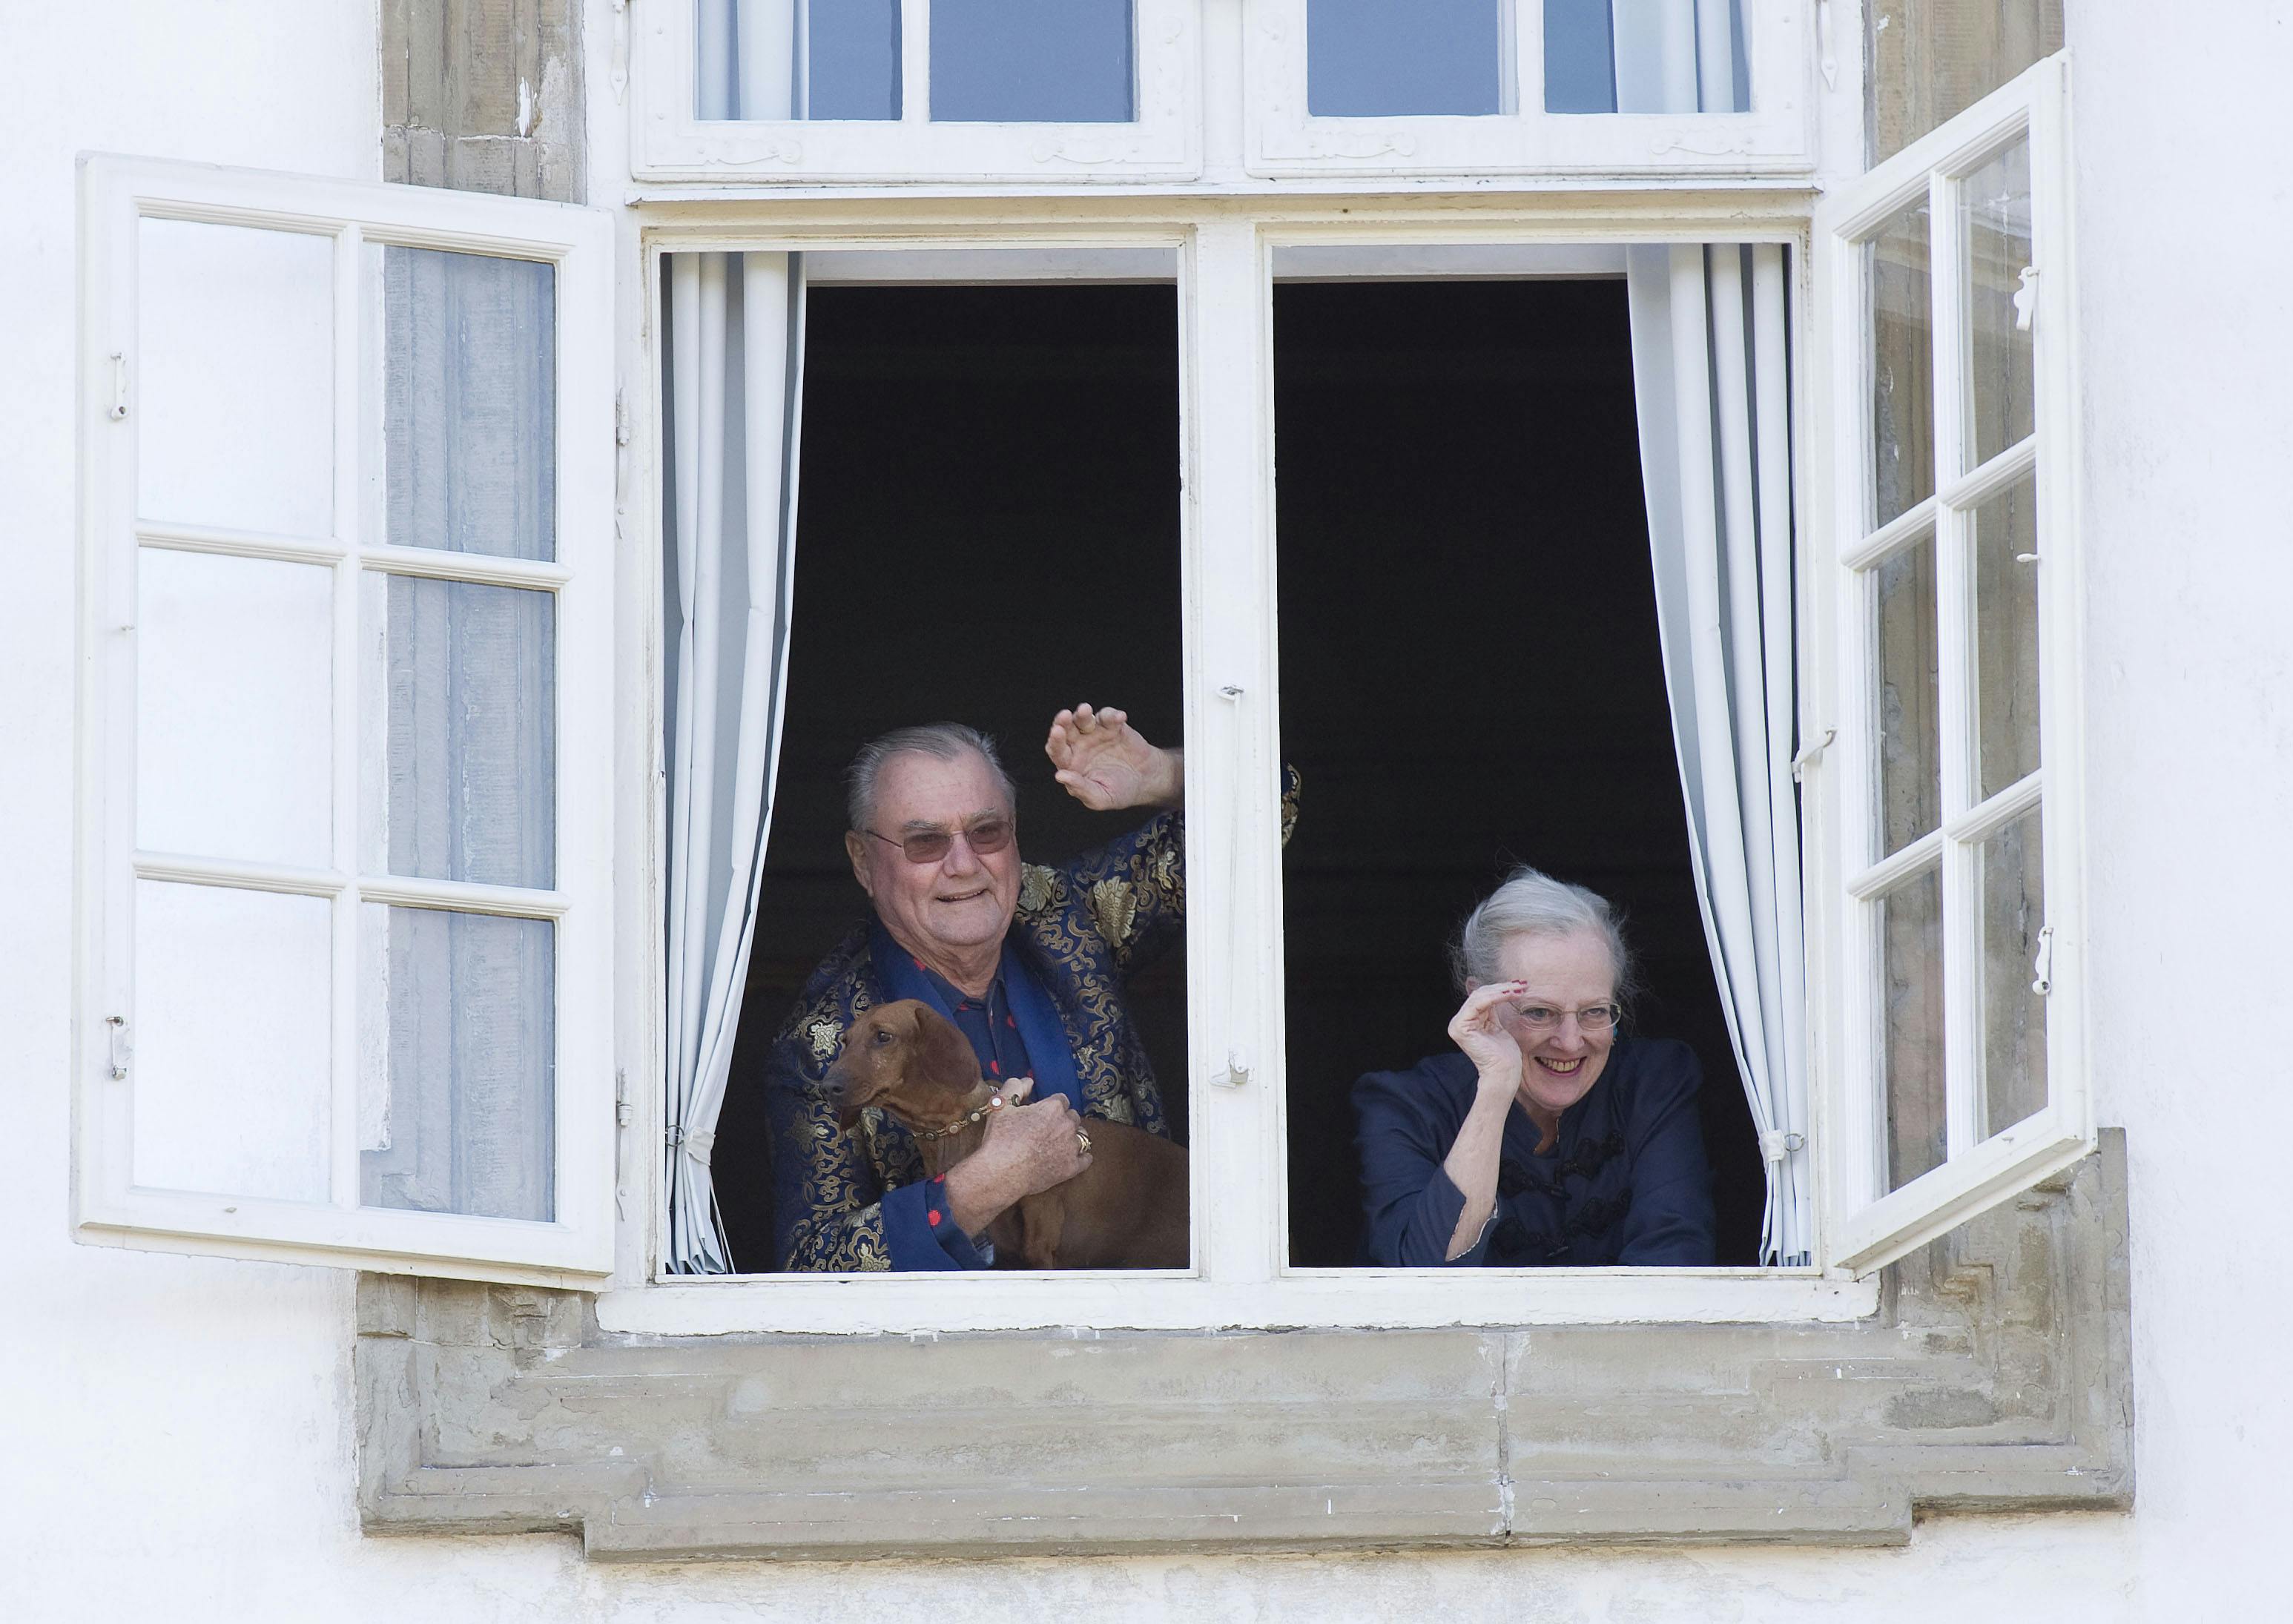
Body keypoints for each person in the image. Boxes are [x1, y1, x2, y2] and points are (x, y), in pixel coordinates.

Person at [762, 705, 1296, 1271]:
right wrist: (983, 1185)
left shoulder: (1070, 917)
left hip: (1152, 1323)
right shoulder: (822, 1044)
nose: (964, 865)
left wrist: (1164, 777)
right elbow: (812, 1268)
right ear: (864, 862)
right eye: (925, 843)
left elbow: (1271, 805)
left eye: (986, 831)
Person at [1353, 866, 1715, 1267]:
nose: (1571, 1040)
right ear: (1482, 1004)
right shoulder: (1405, 1105)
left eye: (1595, 1011)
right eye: (1540, 1012)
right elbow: (1421, 1281)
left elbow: (1676, 1266)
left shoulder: (1654, 1083)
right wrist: (1495, 1087)